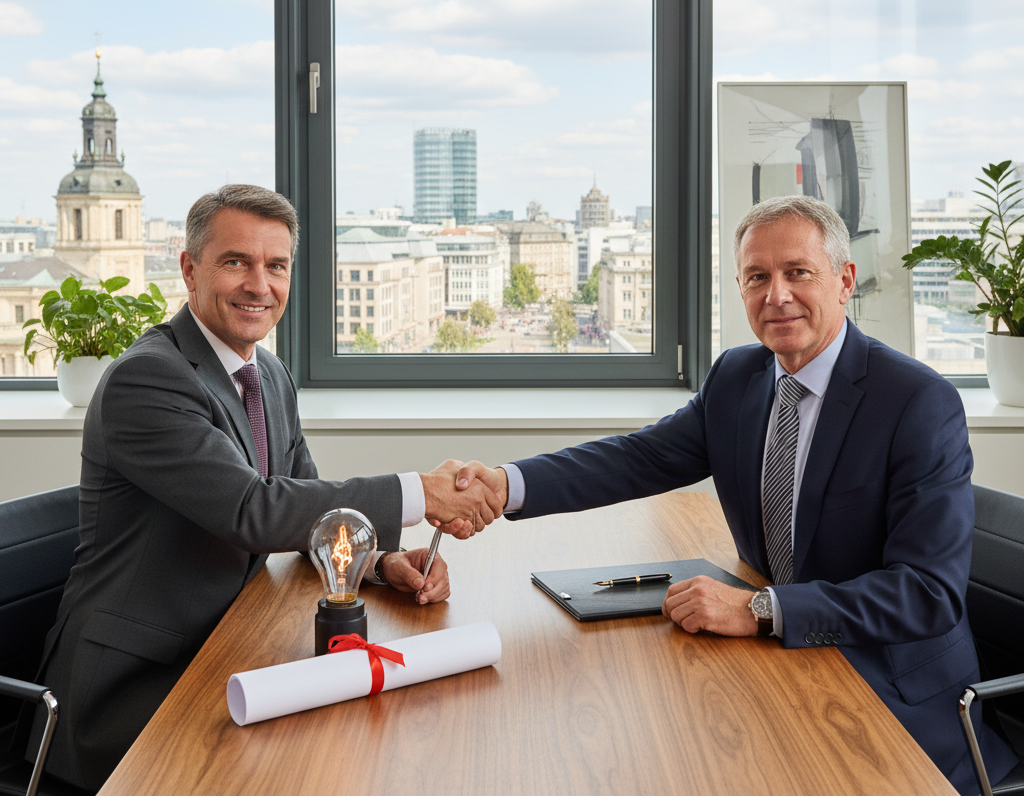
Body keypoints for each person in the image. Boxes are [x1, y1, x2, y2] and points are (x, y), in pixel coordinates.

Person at [448, 195, 1017, 795]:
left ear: (845, 281)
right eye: (757, 277)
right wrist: (504, 485)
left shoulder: (916, 403)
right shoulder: (737, 378)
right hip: (787, 666)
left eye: (798, 272)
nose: (777, 295)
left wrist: (760, 609)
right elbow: (638, 458)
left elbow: (926, 594)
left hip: (893, 696)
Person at [31, 184, 502, 790]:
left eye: (275, 266)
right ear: (189, 270)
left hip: (227, 650)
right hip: (136, 688)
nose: (260, 285)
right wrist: (423, 493)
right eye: (236, 262)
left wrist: (382, 562)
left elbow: (308, 505)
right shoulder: (147, 379)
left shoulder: (268, 373)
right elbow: (254, 511)